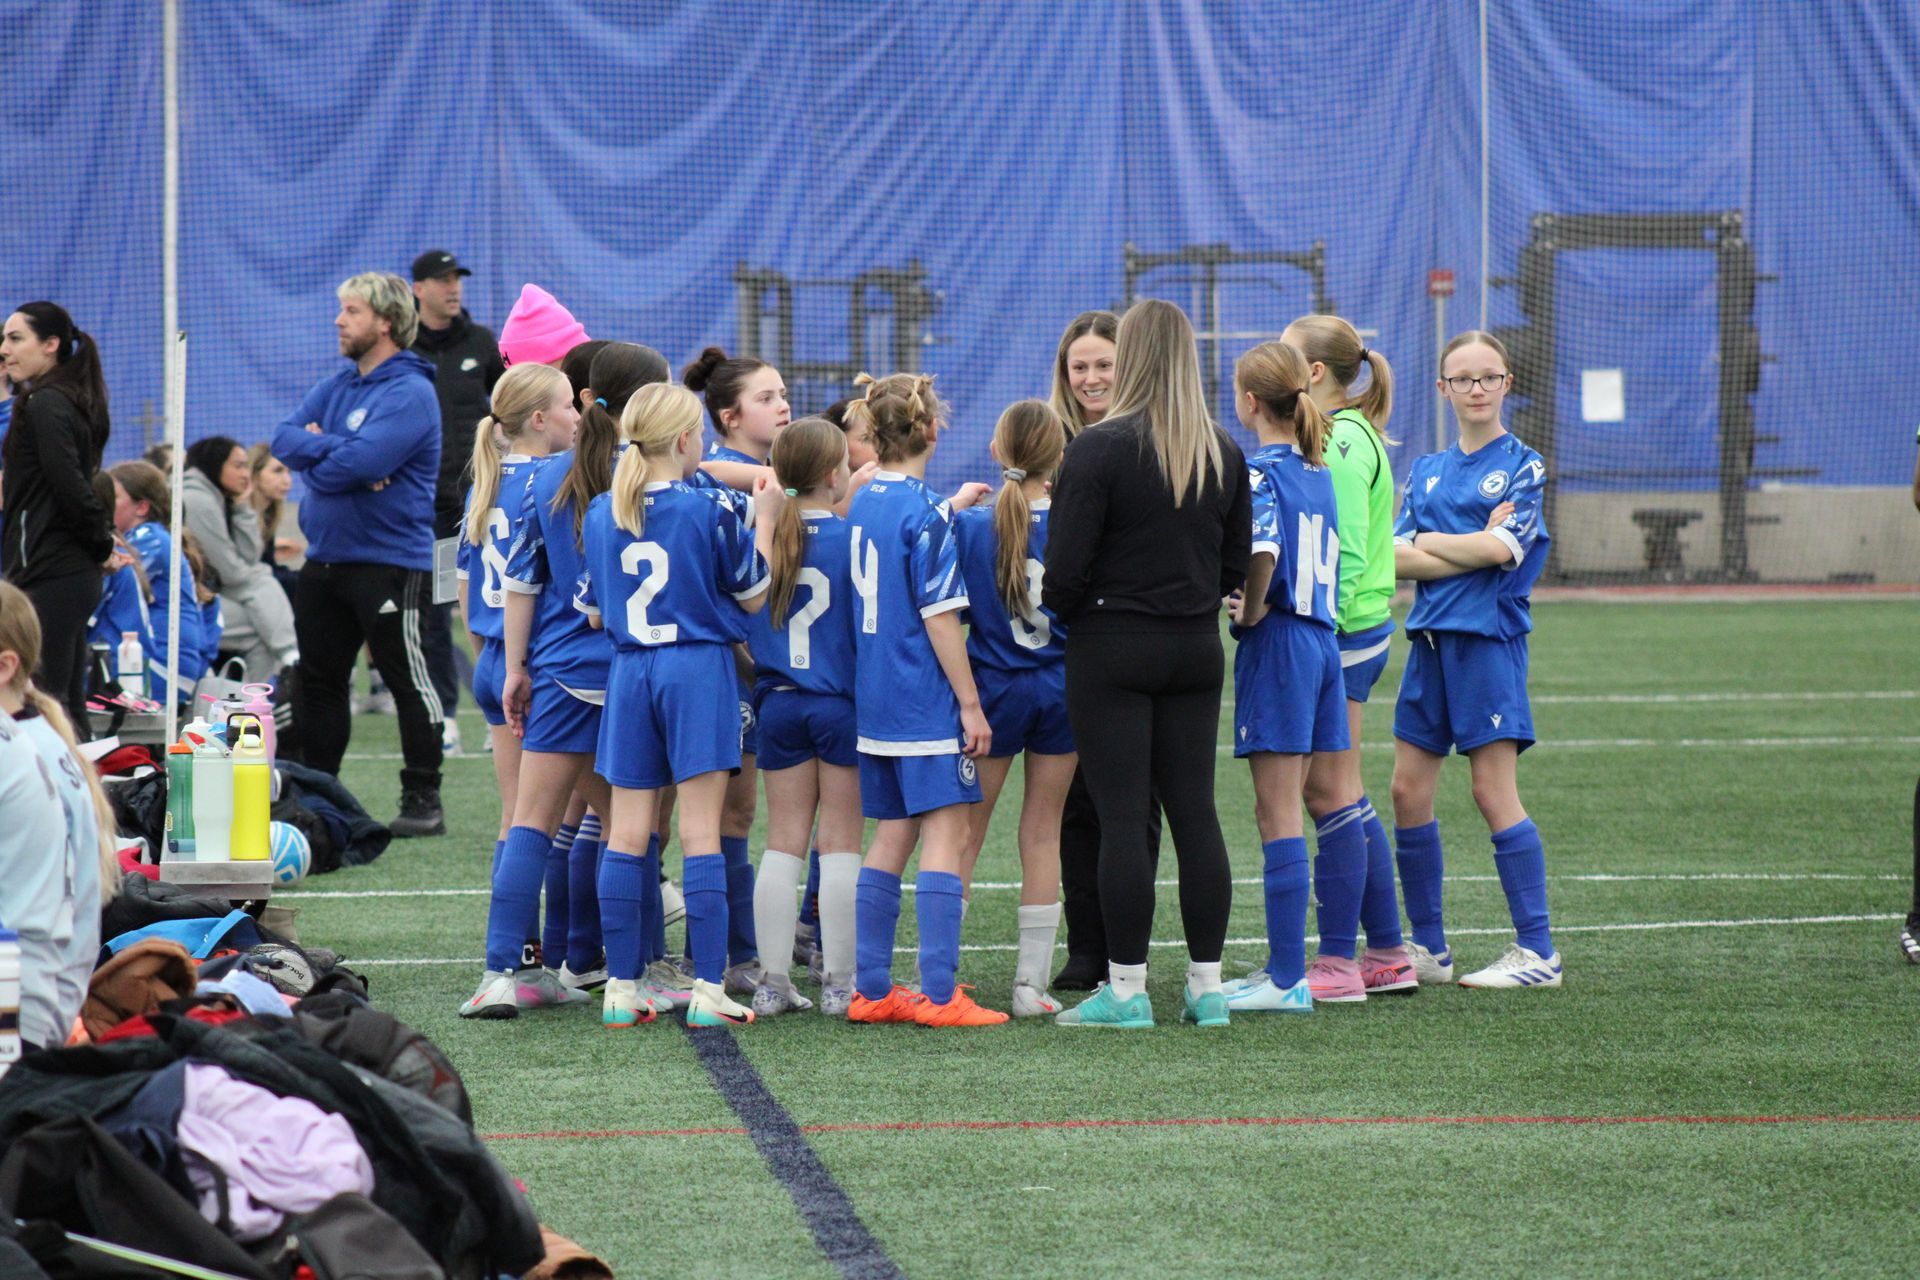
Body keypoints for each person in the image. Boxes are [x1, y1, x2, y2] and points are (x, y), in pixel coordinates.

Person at [1043, 299, 1250, 1029]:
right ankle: (1207, 985)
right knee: (1196, 813)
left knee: (1124, 815)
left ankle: (1127, 991)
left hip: (1113, 647)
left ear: (1128, 357)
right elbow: (1235, 565)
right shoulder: (1222, 447)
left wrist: (1080, 606)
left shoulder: (1097, 447)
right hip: (1195, 647)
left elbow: (1063, 573)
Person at [467, 344, 666, 1020]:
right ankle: (630, 980)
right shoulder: (659, 480)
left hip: (558, 672)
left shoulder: (547, 478)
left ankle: (500, 975)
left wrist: (515, 666)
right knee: (627, 830)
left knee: (531, 821)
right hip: (632, 676)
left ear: (586, 403)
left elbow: (520, 580)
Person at [579, 382, 776, 1029]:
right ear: (688, 439)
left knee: (628, 835)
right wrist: (768, 525)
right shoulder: (709, 508)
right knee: (700, 834)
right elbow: (754, 595)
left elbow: (594, 609)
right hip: (696, 669)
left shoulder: (603, 510)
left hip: (630, 670)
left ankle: (621, 986)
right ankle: (708, 988)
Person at [1390, 329, 1559, 989]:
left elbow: (1503, 553)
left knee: (1492, 791)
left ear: (1507, 383)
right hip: (1428, 639)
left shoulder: (1524, 462)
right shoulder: (1427, 469)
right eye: (1464, 378)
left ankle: (1538, 953)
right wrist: (1468, 539)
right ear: (1444, 389)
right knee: (1407, 791)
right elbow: (1393, 555)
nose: (1477, 388)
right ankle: (1430, 948)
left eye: (1489, 376)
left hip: (1487, 642)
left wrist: (1439, 541)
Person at [844, 372, 1006, 1029]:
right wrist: (969, 703)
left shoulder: (866, 497)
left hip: (876, 698)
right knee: (947, 830)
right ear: (934, 431)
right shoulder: (925, 514)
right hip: (921, 698)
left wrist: (949, 505)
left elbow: (896, 512)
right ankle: (941, 996)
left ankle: (871, 989)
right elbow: (941, 618)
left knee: (891, 837)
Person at [270, 272, 446, 837]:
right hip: (326, 561)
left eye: (351, 311)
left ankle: (423, 800)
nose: (339, 320)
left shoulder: (412, 392)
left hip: (391, 563)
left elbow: (359, 466)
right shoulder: (337, 384)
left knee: (407, 682)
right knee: (319, 682)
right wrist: (339, 451)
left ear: (385, 322)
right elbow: (282, 439)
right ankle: (321, 795)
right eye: (341, 310)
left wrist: (327, 458)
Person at [1218, 342, 1357, 1017]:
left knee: (1276, 812)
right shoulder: (1318, 469)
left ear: (1249, 402)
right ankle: (1290, 968)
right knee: (1299, 805)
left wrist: (1251, 609)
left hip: (1283, 643)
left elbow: (1263, 550)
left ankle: (1284, 976)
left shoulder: (1258, 470)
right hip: (1323, 643)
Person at [1283, 314, 1415, 994]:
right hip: (1352, 631)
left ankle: (1339, 961)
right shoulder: (1345, 433)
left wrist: (1316, 633)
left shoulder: (1339, 441)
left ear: (1311, 374)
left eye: (1286, 355)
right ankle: (1387, 954)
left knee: (1328, 788)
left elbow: (1349, 551)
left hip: (1343, 635)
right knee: (1340, 788)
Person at [456, 361, 580, 1011]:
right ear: (538, 419)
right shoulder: (552, 480)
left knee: (521, 817)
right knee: (555, 820)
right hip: (540, 662)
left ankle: (526, 961)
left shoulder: (485, 480)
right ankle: (531, 961)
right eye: (566, 406)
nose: (577, 417)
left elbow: (464, 587)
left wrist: (493, 663)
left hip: (497, 658)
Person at [952, 399, 1075, 1017]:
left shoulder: (972, 525)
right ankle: (1030, 985)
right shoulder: (1077, 523)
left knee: (964, 833)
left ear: (998, 453)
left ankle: (941, 977)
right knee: (1042, 832)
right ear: (1058, 458)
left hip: (995, 690)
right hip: (1060, 688)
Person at [1044, 308, 1154, 991]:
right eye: (1079, 366)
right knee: (1073, 801)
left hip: (1135, 646)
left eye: (1104, 365)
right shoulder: (1050, 443)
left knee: (1135, 800)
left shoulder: (1154, 439)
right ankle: (1086, 945)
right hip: (1061, 648)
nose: (1090, 377)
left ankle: (1127, 950)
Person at [680, 347, 791, 992]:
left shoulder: (762, 475)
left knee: (736, 816)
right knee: (724, 814)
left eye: (782, 395)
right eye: (767, 398)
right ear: (728, 415)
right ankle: (720, 955)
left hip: (752, 667)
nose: (782, 406)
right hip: (732, 665)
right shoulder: (724, 483)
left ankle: (737, 951)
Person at [746, 417, 860, 1017]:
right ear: (832, 473)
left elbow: (743, 621)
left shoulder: (766, 538)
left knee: (783, 843)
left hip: (780, 704)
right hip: (839, 706)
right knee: (840, 843)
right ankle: (840, 983)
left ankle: (771, 980)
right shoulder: (849, 538)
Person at [0, 580, 114, 1053]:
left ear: (5, 665)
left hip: (20, 1010)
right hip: (40, 999)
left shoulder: (20, 750)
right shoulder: (38, 737)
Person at [0, 303, 114, 729]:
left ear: (50, 346)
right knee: (67, 702)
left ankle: (65, 794)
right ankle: (87, 793)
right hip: (60, 569)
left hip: (53, 571)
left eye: (15, 338)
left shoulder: (46, 403)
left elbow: (71, 486)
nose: (5, 350)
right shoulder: (59, 399)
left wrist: (101, 541)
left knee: (44, 701)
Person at [411, 250, 506, 752]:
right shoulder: (403, 347)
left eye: (457, 280)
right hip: (423, 506)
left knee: (490, 603)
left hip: (480, 502)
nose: (453, 288)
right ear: (418, 288)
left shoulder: (482, 342)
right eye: (442, 280)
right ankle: (443, 715)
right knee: (432, 610)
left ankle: (500, 714)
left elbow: (508, 405)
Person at [181, 436, 298, 681]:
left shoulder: (219, 498)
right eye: (238, 465)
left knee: (263, 624)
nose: (245, 474)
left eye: (246, 465)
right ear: (215, 464)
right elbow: (232, 572)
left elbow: (248, 557)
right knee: (264, 588)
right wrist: (261, 574)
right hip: (184, 604)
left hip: (209, 597)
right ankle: (290, 657)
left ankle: (245, 707)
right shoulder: (198, 500)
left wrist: (242, 508)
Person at [107, 462, 212, 703]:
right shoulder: (149, 537)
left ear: (141, 507)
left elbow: (102, 583)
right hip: (156, 663)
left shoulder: (150, 539)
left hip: (164, 669)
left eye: (112, 497)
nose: (102, 504)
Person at [246, 444, 300, 600]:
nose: (287, 480)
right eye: (278, 471)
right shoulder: (243, 515)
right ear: (255, 475)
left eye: (289, 472)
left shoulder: (267, 515)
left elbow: (269, 567)